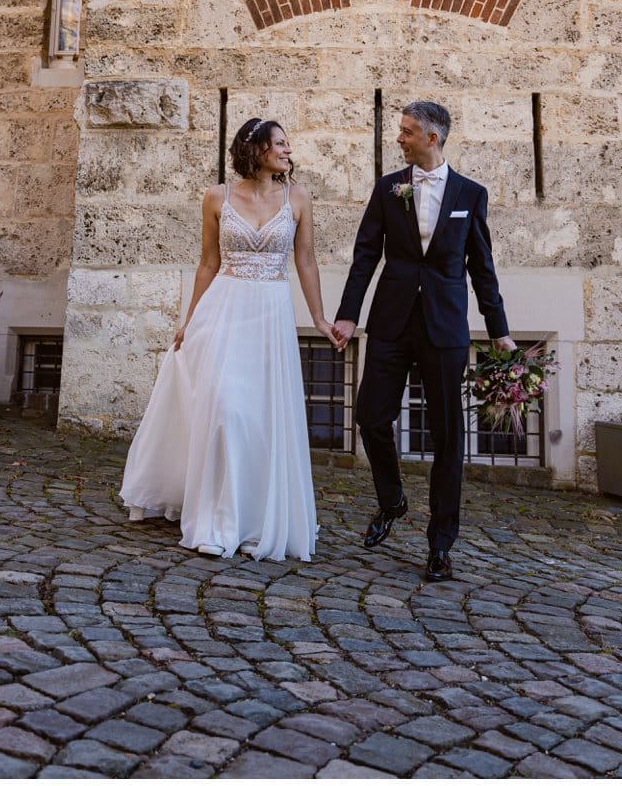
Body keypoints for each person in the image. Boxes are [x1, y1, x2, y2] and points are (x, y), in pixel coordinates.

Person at [120, 117, 340, 562]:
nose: (287, 150)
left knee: (260, 416)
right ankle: (218, 519)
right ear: (256, 148)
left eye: (287, 143)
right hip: (225, 307)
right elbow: (206, 262)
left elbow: (307, 261)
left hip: (271, 314)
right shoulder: (216, 197)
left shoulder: (297, 197)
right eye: (279, 143)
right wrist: (189, 318)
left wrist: (319, 318)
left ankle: (255, 518)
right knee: (224, 408)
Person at [333, 101, 515, 582]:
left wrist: (499, 331)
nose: (400, 138)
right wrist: (348, 317)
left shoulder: (470, 194)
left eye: (408, 132)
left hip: (445, 329)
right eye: (401, 131)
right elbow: (365, 256)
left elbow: (482, 268)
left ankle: (440, 544)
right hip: (391, 322)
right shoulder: (388, 189)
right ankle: (392, 501)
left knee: (448, 435)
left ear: (433, 138)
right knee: (371, 416)